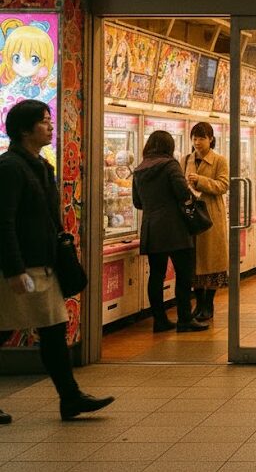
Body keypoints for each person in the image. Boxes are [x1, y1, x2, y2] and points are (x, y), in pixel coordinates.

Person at [0, 100, 114, 423]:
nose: (51, 126)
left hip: (44, 264)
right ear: (24, 130)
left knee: (53, 330)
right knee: (4, 330)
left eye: (50, 120)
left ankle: (70, 397)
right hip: (22, 266)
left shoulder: (42, 166)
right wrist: (14, 269)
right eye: (44, 121)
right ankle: (70, 396)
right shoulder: (9, 168)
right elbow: (4, 221)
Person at [132, 130, 208, 333]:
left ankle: (160, 320)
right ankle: (184, 319)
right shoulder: (169, 165)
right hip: (175, 228)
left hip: (151, 227)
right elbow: (183, 193)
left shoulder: (139, 169)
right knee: (184, 273)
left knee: (155, 275)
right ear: (169, 146)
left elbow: (137, 202)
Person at [184, 123, 228, 322]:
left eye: (201, 138)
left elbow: (223, 185)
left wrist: (201, 181)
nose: (197, 142)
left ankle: (208, 304)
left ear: (210, 139)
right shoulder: (185, 160)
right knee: (194, 262)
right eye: (194, 138)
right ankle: (198, 303)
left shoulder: (219, 161)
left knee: (211, 260)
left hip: (210, 216)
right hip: (191, 217)